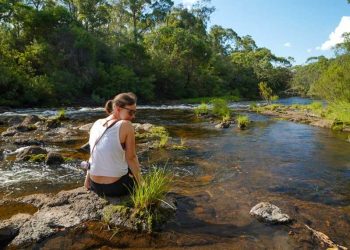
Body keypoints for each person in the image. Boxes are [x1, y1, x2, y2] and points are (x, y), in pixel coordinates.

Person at [84, 92, 141, 197]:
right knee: (133, 161)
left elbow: (93, 154)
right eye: (131, 112)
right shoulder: (126, 125)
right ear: (118, 109)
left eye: (134, 112)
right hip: (116, 188)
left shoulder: (97, 123)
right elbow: (131, 158)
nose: (133, 116)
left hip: (95, 185)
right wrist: (142, 185)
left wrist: (87, 180)